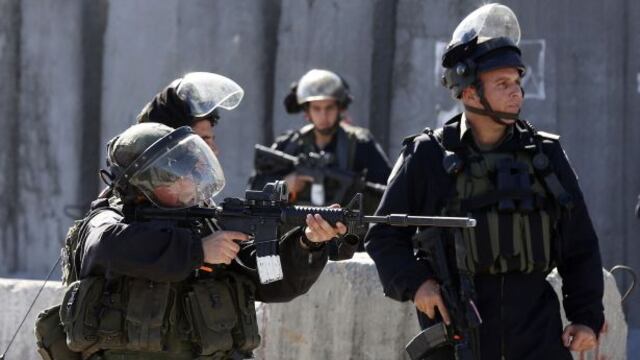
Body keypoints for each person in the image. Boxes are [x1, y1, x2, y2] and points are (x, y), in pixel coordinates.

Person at [365, 4, 603, 359]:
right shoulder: (428, 155)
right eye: (503, 84)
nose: (516, 93)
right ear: (471, 93)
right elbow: (384, 235)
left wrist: (586, 318)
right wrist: (417, 284)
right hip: (457, 327)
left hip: (536, 332)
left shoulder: (544, 156)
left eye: (518, 82)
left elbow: (579, 244)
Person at [57, 78, 346, 360]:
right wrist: (198, 251)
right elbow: (106, 246)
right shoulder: (113, 216)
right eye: (200, 143)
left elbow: (268, 281)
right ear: (164, 161)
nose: (208, 153)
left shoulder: (203, 218)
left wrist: (308, 244)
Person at [249, 69, 392, 257]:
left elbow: (387, 193)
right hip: (296, 246)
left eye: (329, 108)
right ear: (307, 111)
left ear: (340, 108)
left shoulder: (360, 144)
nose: (323, 116)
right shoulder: (290, 144)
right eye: (317, 108)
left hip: (344, 245)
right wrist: (285, 184)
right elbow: (254, 191)